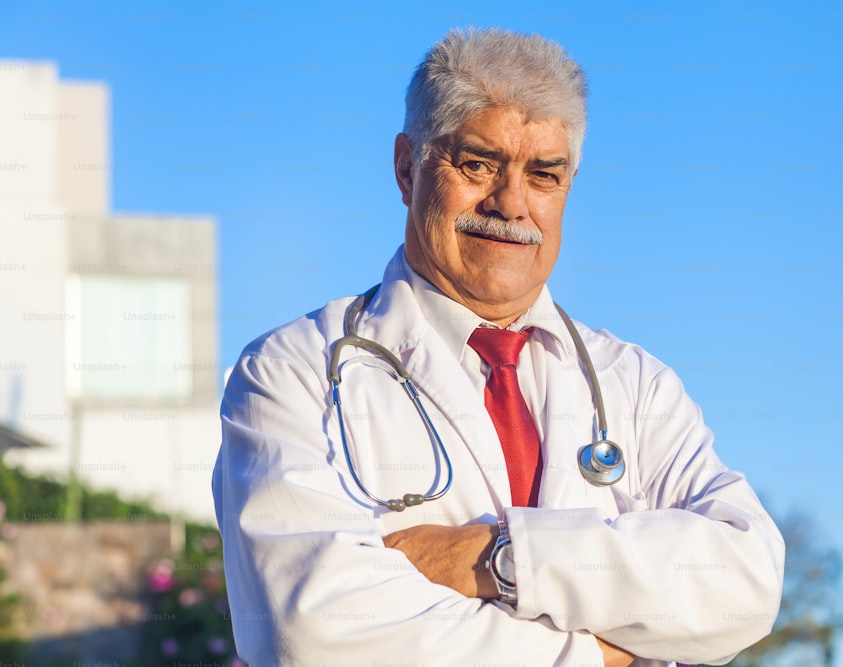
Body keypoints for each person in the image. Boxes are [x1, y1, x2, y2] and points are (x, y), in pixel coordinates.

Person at [213, 27, 784, 667]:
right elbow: (313, 632)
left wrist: (502, 560)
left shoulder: (637, 384)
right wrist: (601, 655)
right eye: (479, 163)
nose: (512, 204)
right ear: (407, 167)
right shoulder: (295, 372)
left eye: (544, 174)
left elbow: (744, 585)